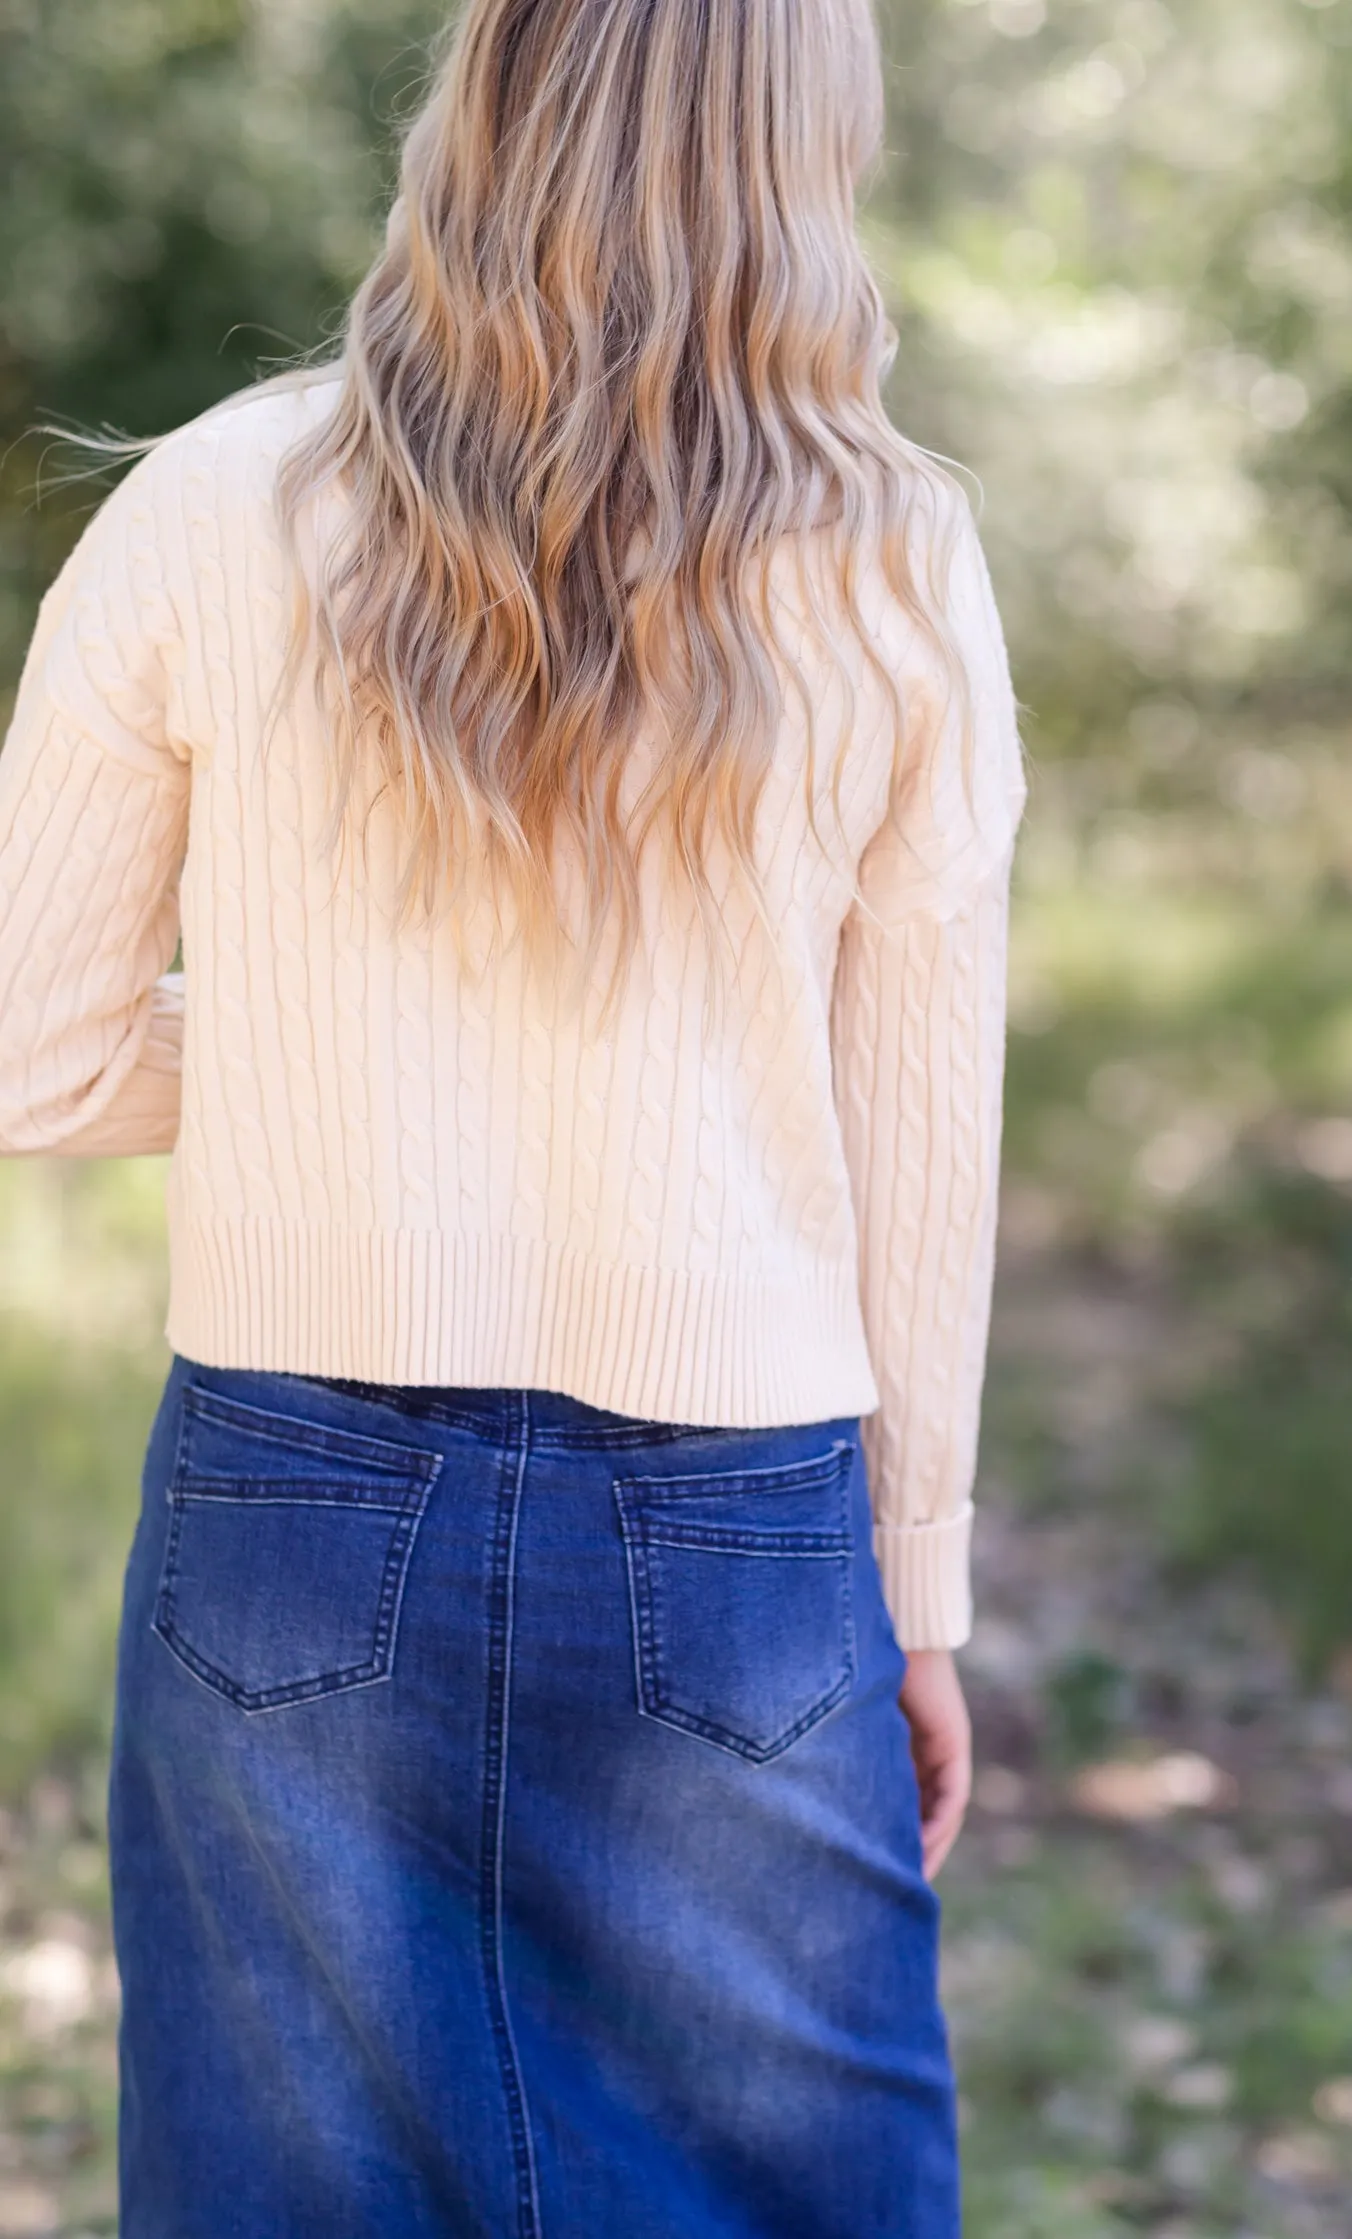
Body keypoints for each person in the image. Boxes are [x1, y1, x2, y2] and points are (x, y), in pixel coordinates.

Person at [0, 0, 1027, 2231]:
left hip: (284, 1506)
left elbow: (34, 1048)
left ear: (477, 109)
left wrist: (312, 1056)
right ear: (802, 147)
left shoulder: (205, 503)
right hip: (741, 1546)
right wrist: (915, 1592)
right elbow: (910, 1141)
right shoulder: (897, 565)